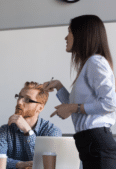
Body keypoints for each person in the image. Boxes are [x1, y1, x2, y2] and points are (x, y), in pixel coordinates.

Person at [43, 15, 116, 169]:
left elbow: (110, 103)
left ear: (82, 34)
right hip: (89, 144)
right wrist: (59, 86)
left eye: (69, 31)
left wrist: (72, 108)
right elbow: (75, 106)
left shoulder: (95, 62)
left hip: (97, 143)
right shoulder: (89, 64)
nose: (65, 37)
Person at [0, 81, 62, 169]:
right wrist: (19, 164)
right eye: (19, 97)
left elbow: (46, 164)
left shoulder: (52, 131)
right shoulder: (5, 130)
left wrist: (28, 131)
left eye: (27, 100)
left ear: (40, 108)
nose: (19, 102)